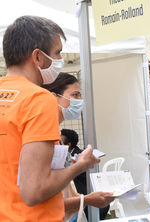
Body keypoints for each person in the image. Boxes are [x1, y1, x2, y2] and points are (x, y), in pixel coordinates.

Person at [0, 16, 99, 221]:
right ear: (38, 57)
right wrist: (80, 165)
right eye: (57, 52)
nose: (60, 59)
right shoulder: (38, 99)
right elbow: (34, 191)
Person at [43, 72, 113, 220]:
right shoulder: (43, 134)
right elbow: (41, 196)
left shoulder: (54, 131)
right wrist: (87, 199)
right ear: (54, 97)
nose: (79, 101)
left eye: (80, 95)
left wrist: (74, 161)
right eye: (75, 95)